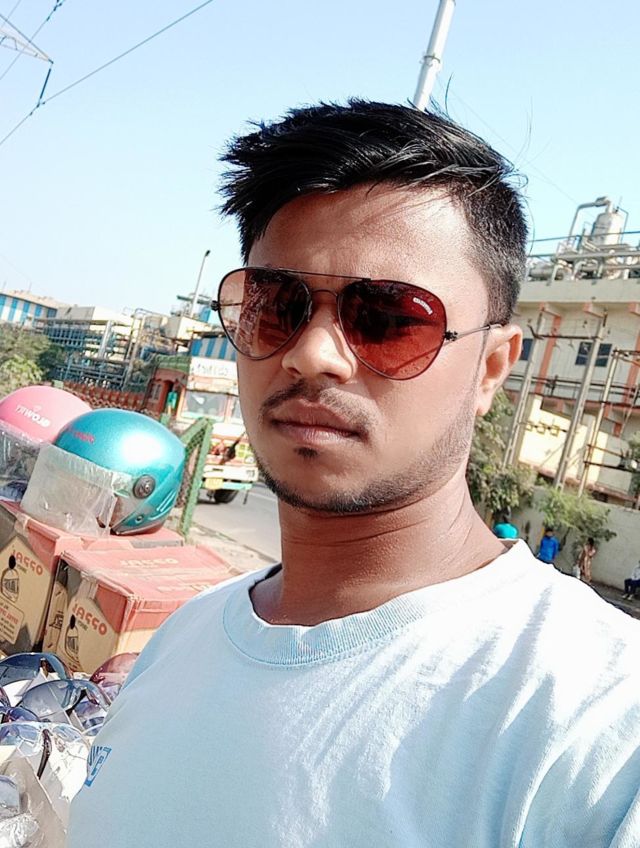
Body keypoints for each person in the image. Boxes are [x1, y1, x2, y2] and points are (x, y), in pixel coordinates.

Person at [69, 101, 640, 847]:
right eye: (278, 307)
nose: (313, 355)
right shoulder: (188, 638)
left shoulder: (598, 725)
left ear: (491, 367)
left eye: (390, 318)